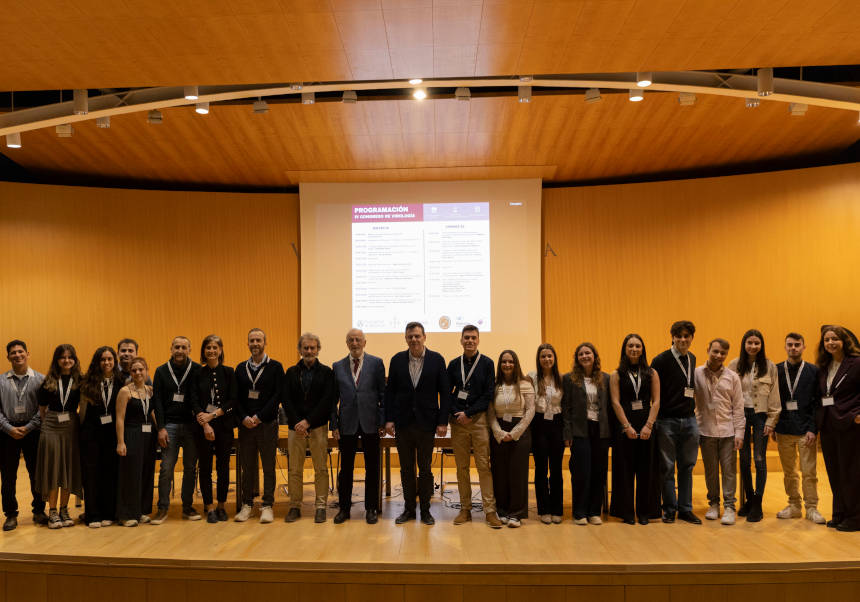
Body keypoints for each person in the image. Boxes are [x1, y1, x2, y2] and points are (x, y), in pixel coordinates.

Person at [384, 322, 451, 526]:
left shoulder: (437, 360)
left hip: (427, 423)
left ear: (424, 337)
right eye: (410, 336)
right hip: (403, 424)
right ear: (406, 338)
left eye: (417, 336)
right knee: (405, 469)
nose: (414, 339)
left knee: (425, 469)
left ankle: (426, 510)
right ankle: (409, 509)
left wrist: (442, 422)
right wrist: (389, 419)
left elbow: (445, 393)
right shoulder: (396, 360)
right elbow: (390, 393)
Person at [447, 325, 501, 528]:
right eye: (466, 338)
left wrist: (469, 414)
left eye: (473, 338)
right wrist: (457, 414)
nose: (470, 341)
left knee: (483, 467)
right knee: (461, 468)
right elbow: (447, 392)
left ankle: (489, 511)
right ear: (461, 341)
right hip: (458, 422)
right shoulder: (453, 364)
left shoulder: (487, 363)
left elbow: (488, 394)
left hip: (478, 421)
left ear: (478, 340)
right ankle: (465, 509)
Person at [331, 328, 385, 525]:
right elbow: (333, 400)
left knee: (372, 468)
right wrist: (334, 423)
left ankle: (371, 508)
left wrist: (381, 421)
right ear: (347, 343)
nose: (355, 343)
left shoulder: (377, 363)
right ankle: (344, 508)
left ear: (364, 342)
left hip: (371, 423)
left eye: (358, 340)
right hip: (347, 424)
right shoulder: (337, 366)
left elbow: (382, 395)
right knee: (346, 469)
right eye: (351, 340)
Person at [727, 329, 781, 522]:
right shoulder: (734, 365)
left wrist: (771, 421)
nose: (753, 346)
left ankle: (757, 502)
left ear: (761, 345)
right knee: (744, 459)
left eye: (756, 343)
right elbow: (728, 394)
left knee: (759, 459)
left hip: (760, 417)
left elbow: (775, 395)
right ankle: (748, 499)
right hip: (741, 416)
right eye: (749, 342)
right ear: (744, 344)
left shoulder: (769, 366)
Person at [283, 332, 336, 524]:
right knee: (294, 469)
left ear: (318, 349)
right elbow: (286, 400)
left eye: (312, 347)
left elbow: (327, 401)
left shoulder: (327, 372)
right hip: (294, 428)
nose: (309, 351)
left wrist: (308, 422)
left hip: (318, 426)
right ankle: (294, 506)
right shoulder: (290, 372)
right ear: (299, 350)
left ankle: (320, 506)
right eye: (305, 348)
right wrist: (298, 422)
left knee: (320, 469)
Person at [651, 320, 701, 524]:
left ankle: (685, 509)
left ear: (691, 338)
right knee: (667, 467)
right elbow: (653, 392)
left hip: (690, 420)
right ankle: (669, 508)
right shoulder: (660, 360)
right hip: (666, 421)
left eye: (686, 336)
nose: (682, 339)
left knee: (687, 466)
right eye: (678, 336)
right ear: (672, 337)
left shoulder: (692, 358)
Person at [609, 334, 661, 525]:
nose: (634, 349)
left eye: (638, 346)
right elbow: (615, 402)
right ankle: (626, 512)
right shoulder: (616, 374)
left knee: (647, 470)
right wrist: (626, 426)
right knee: (624, 470)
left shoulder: (652, 373)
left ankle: (645, 512)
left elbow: (656, 401)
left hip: (647, 426)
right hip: (625, 428)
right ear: (624, 348)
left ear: (643, 349)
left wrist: (649, 425)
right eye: (630, 346)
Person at [234, 328, 284, 524]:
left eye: (259, 340)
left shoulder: (276, 367)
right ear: (247, 343)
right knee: (247, 466)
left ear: (265, 342)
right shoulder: (240, 368)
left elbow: (277, 396)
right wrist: (245, 417)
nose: (255, 344)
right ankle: (247, 505)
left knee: (268, 466)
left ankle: (267, 505)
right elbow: (236, 398)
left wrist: (259, 417)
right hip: (246, 425)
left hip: (267, 424)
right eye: (252, 340)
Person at [774, 332, 824, 523]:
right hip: (783, 429)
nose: (793, 348)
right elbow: (773, 401)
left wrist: (813, 428)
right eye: (789, 345)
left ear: (803, 347)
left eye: (797, 345)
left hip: (806, 431)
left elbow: (817, 403)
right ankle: (794, 505)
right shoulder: (777, 370)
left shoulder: (814, 371)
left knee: (809, 472)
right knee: (789, 472)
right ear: (785, 347)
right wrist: (774, 425)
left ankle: (812, 508)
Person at [693, 339, 744, 525]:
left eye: (723, 353)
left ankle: (729, 507)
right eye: (715, 351)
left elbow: (738, 407)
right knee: (711, 471)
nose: (718, 356)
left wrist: (740, 433)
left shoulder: (733, 377)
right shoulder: (696, 373)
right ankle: (714, 504)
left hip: (728, 431)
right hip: (705, 431)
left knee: (729, 471)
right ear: (708, 350)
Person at [151, 336, 201, 524]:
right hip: (169, 426)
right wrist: (161, 428)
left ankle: (187, 507)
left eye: (184, 347)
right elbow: (157, 402)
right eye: (177, 347)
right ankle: (162, 508)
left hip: (191, 426)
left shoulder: (197, 369)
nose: (180, 350)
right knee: (166, 468)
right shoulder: (161, 371)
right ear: (171, 349)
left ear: (190, 349)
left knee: (190, 468)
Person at [816, 325, 860, 532]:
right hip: (828, 426)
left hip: (850, 424)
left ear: (844, 341)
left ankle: (855, 517)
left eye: (835, 339)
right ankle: (840, 513)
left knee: (850, 472)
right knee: (834, 472)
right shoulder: (824, 366)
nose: (830, 343)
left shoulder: (856, 363)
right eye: (826, 340)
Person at [0, 340, 47, 530]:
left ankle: (39, 510)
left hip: (33, 430)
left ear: (28, 353)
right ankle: (10, 514)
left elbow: (44, 409)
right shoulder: (1, 381)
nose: (17, 355)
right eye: (13, 353)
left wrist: (28, 427)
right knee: (8, 476)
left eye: (21, 352)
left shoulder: (41, 380)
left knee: (37, 473)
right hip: (6, 432)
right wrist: (9, 428)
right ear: (8, 357)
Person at [562, 343, 611, 525]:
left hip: (601, 430)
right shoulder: (569, 379)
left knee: (599, 470)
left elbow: (609, 407)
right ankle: (579, 512)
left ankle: (594, 511)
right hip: (580, 430)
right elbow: (565, 408)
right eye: (581, 354)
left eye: (587, 353)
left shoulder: (605, 378)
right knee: (581, 471)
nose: (584, 356)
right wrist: (567, 433)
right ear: (577, 358)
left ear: (594, 356)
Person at [35, 344, 83, 529]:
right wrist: (50, 426)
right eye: (62, 357)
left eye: (70, 357)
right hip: (52, 426)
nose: (67, 360)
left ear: (75, 359)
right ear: (56, 360)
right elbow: (42, 411)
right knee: (54, 468)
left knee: (68, 468)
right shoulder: (48, 381)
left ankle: (64, 509)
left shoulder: (80, 380)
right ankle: (52, 511)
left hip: (71, 426)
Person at [192, 335, 237, 524]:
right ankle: (209, 507)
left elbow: (233, 400)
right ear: (203, 351)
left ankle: (221, 506)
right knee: (205, 468)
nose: (211, 350)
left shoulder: (229, 372)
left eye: (215, 347)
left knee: (223, 468)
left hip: (224, 426)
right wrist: (205, 422)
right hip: (203, 428)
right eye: (208, 347)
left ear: (220, 350)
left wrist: (213, 415)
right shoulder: (197, 374)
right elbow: (193, 401)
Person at [488, 350, 534, 528]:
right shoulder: (494, 385)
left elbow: (530, 411)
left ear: (516, 364)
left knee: (517, 473)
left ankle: (516, 513)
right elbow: (490, 412)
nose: (507, 365)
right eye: (504, 362)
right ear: (500, 365)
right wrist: (499, 432)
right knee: (499, 473)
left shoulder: (525, 384)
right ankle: (502, 510)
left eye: (511, 362)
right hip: (498, 431)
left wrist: (515, 433)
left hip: (520, 433)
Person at [79, 346, 123, 528]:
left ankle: (109, 512)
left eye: (110, 359)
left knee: (109, 473)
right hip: (91, 434)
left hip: (112, 434)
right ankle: (92, 514)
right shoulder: (87, 382)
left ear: (115, 361)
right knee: (91, 474)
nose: (106, 363)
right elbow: (81, 412)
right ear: (97, 362)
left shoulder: (122, 382)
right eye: (103, 359)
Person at [115, 357, 157, 527]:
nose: (138, 373)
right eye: (134, 370)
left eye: (141, 369)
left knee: (145, 474)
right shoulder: (125, 391)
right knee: (130, 475)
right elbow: (119, 418)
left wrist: (160, 431)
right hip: (132, 435)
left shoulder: (150, 390)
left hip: (149, 437)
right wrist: (120, 442)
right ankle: (125, 514)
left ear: (147, 371)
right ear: (130, 373)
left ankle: (139, 511)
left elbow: (153, 413)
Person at [529, 343, 564, 525]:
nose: (547, 359)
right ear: (538, 359)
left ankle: (557, 508)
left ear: (554, 358)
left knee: (556, 469)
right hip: (539, 424)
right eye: (543, 356)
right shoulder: (532, 377)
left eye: (549, 356)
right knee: (541, 468)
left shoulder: (562, 379)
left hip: (557, 424)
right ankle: (543, 509)